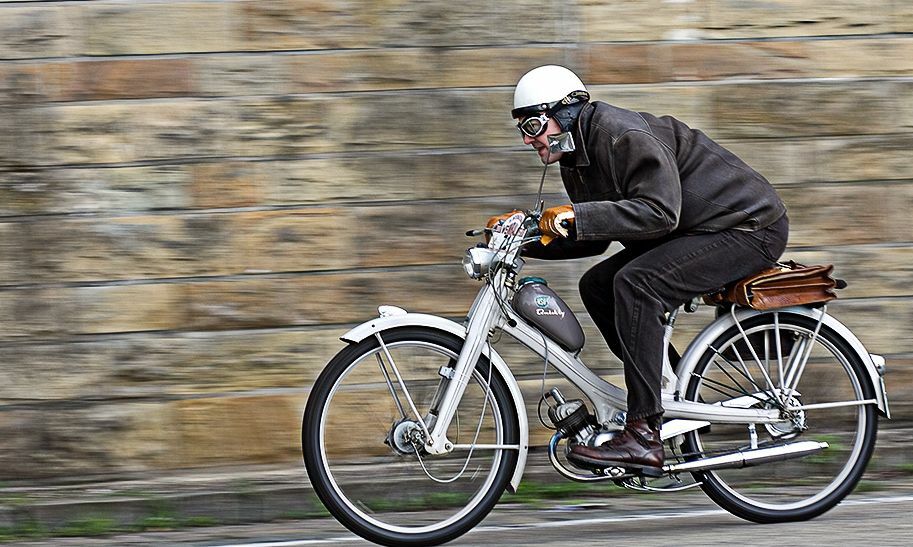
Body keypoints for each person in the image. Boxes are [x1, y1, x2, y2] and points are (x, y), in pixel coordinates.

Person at [491, 65, 789, 474]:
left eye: (533, 125)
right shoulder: (576, 157)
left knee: (636, 284)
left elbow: (660, 212)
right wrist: (522, 237)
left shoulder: (622, 136)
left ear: (566, 113)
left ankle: (644, 434)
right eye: (523, 130)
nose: (528, 139)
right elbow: (595, 237)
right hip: (695, 229)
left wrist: (576, 215)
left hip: (749, 227)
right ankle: (673, 391)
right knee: (597, 285)